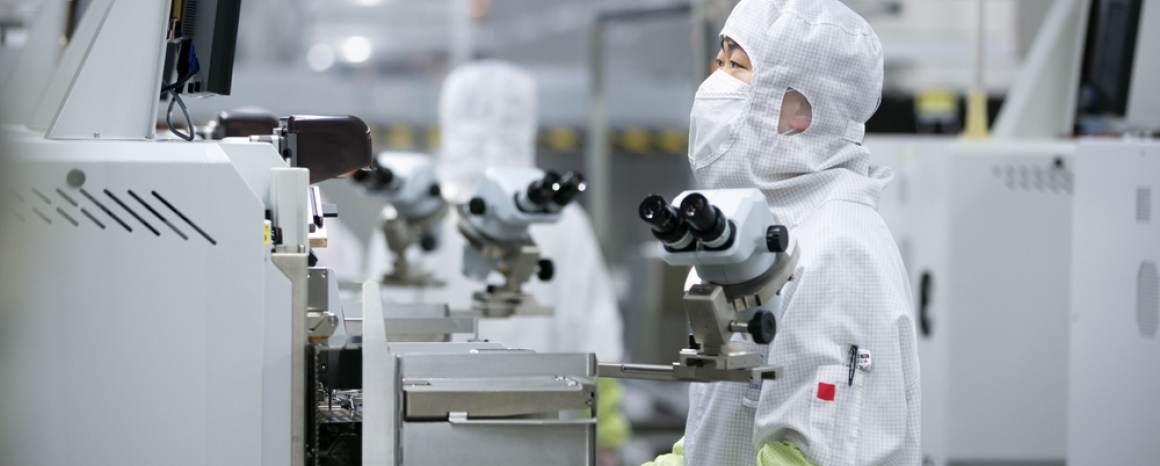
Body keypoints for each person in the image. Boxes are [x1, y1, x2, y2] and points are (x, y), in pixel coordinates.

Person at [646, 1, 920, 465]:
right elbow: (714, 437)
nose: (715, 83)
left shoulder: (838, 247)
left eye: (737, 65)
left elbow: (811, 455)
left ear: (799, 110)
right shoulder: (766, 231)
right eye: (720, 61)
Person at [364, 60, 630, 452]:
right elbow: (599, 336)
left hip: (426, 434)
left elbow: (375, 331)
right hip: (542, 436)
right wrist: (606, 439)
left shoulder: (413, 210)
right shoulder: (562, 219)